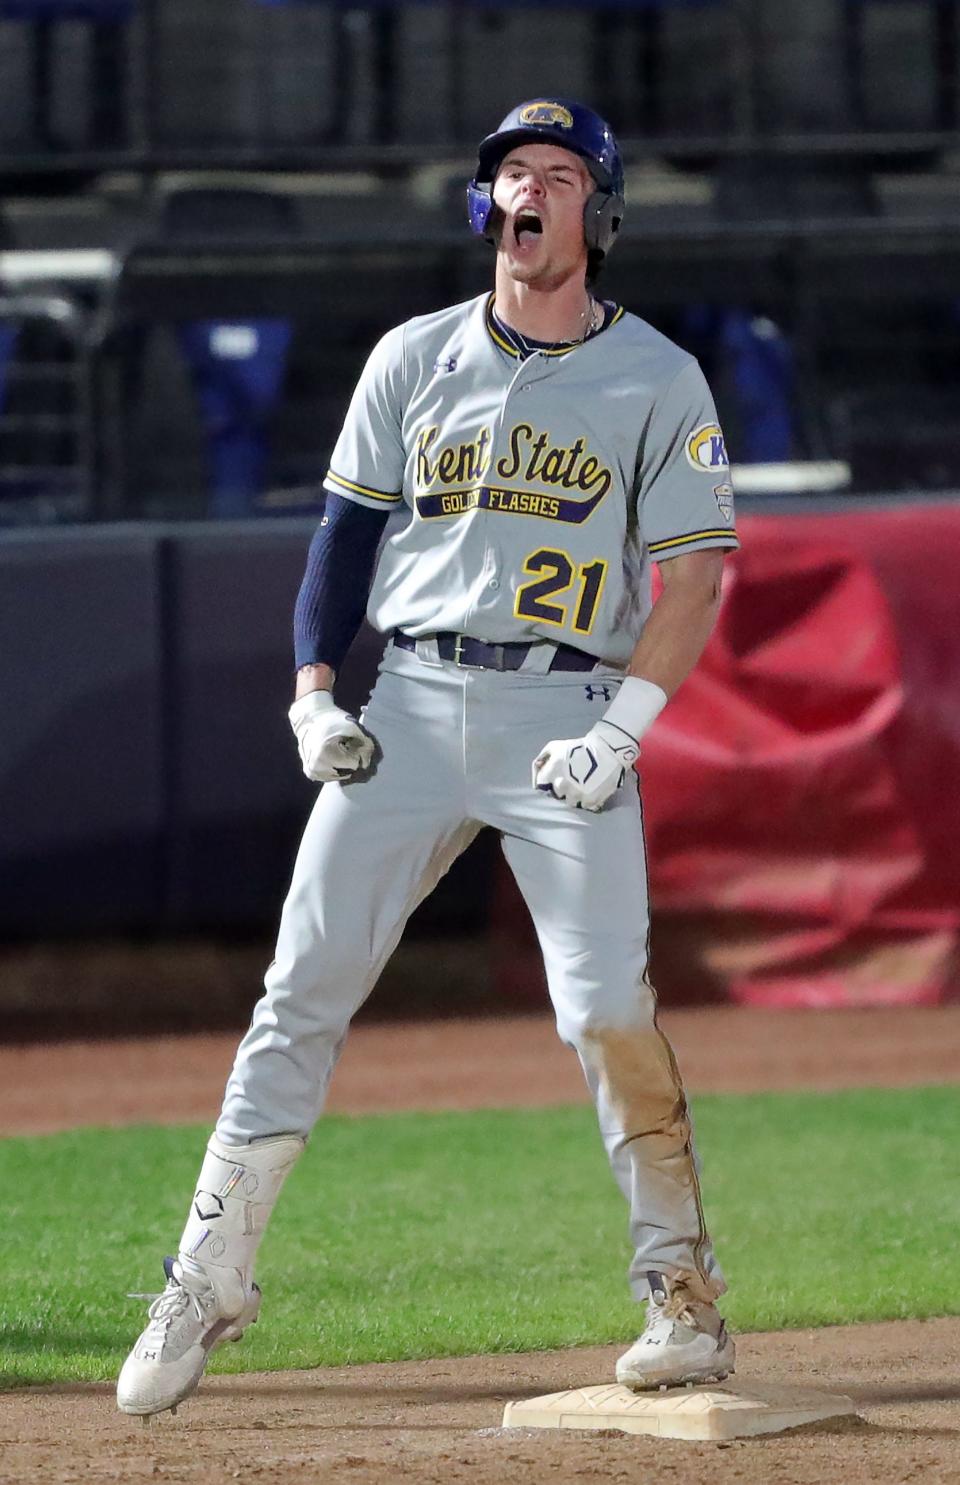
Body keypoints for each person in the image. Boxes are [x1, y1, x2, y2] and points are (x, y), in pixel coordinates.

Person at [117, 98, 740, 1419]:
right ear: (483, 206)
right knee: (299, 989)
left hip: (567, 710)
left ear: (600, 213)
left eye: (558, 175)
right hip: (410, 698)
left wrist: (622, 728)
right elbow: (341, 544)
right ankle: (207, 1276)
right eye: (510, 173)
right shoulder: (412, 356)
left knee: (606, 1007)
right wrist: (312, 691)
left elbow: (694, 578)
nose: (527, 193)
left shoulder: (659, 378)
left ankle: (682, 1295)